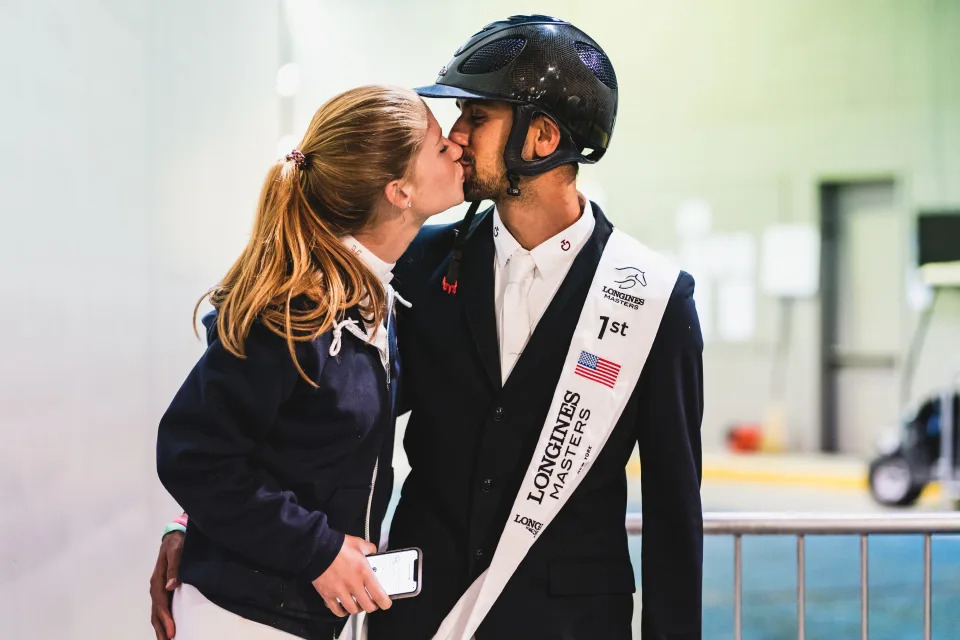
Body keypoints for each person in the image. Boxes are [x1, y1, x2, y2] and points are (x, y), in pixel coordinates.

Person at [152, 15, 704, 640]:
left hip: (567, 621)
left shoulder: (653, 300)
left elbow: (673, 510)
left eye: (479, 117)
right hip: (419, 614)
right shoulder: (412, 263)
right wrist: (193, 523)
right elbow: (298, 421)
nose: (458, 136)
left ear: (542, 137)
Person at [151, 85, 464, 640]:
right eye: (440, 146)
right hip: (244, 617)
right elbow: (196, 455)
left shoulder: (372, 295)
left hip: (307, 615)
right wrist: (317, 549)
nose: (458, 147)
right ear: (399, 191)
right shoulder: (295, 308)